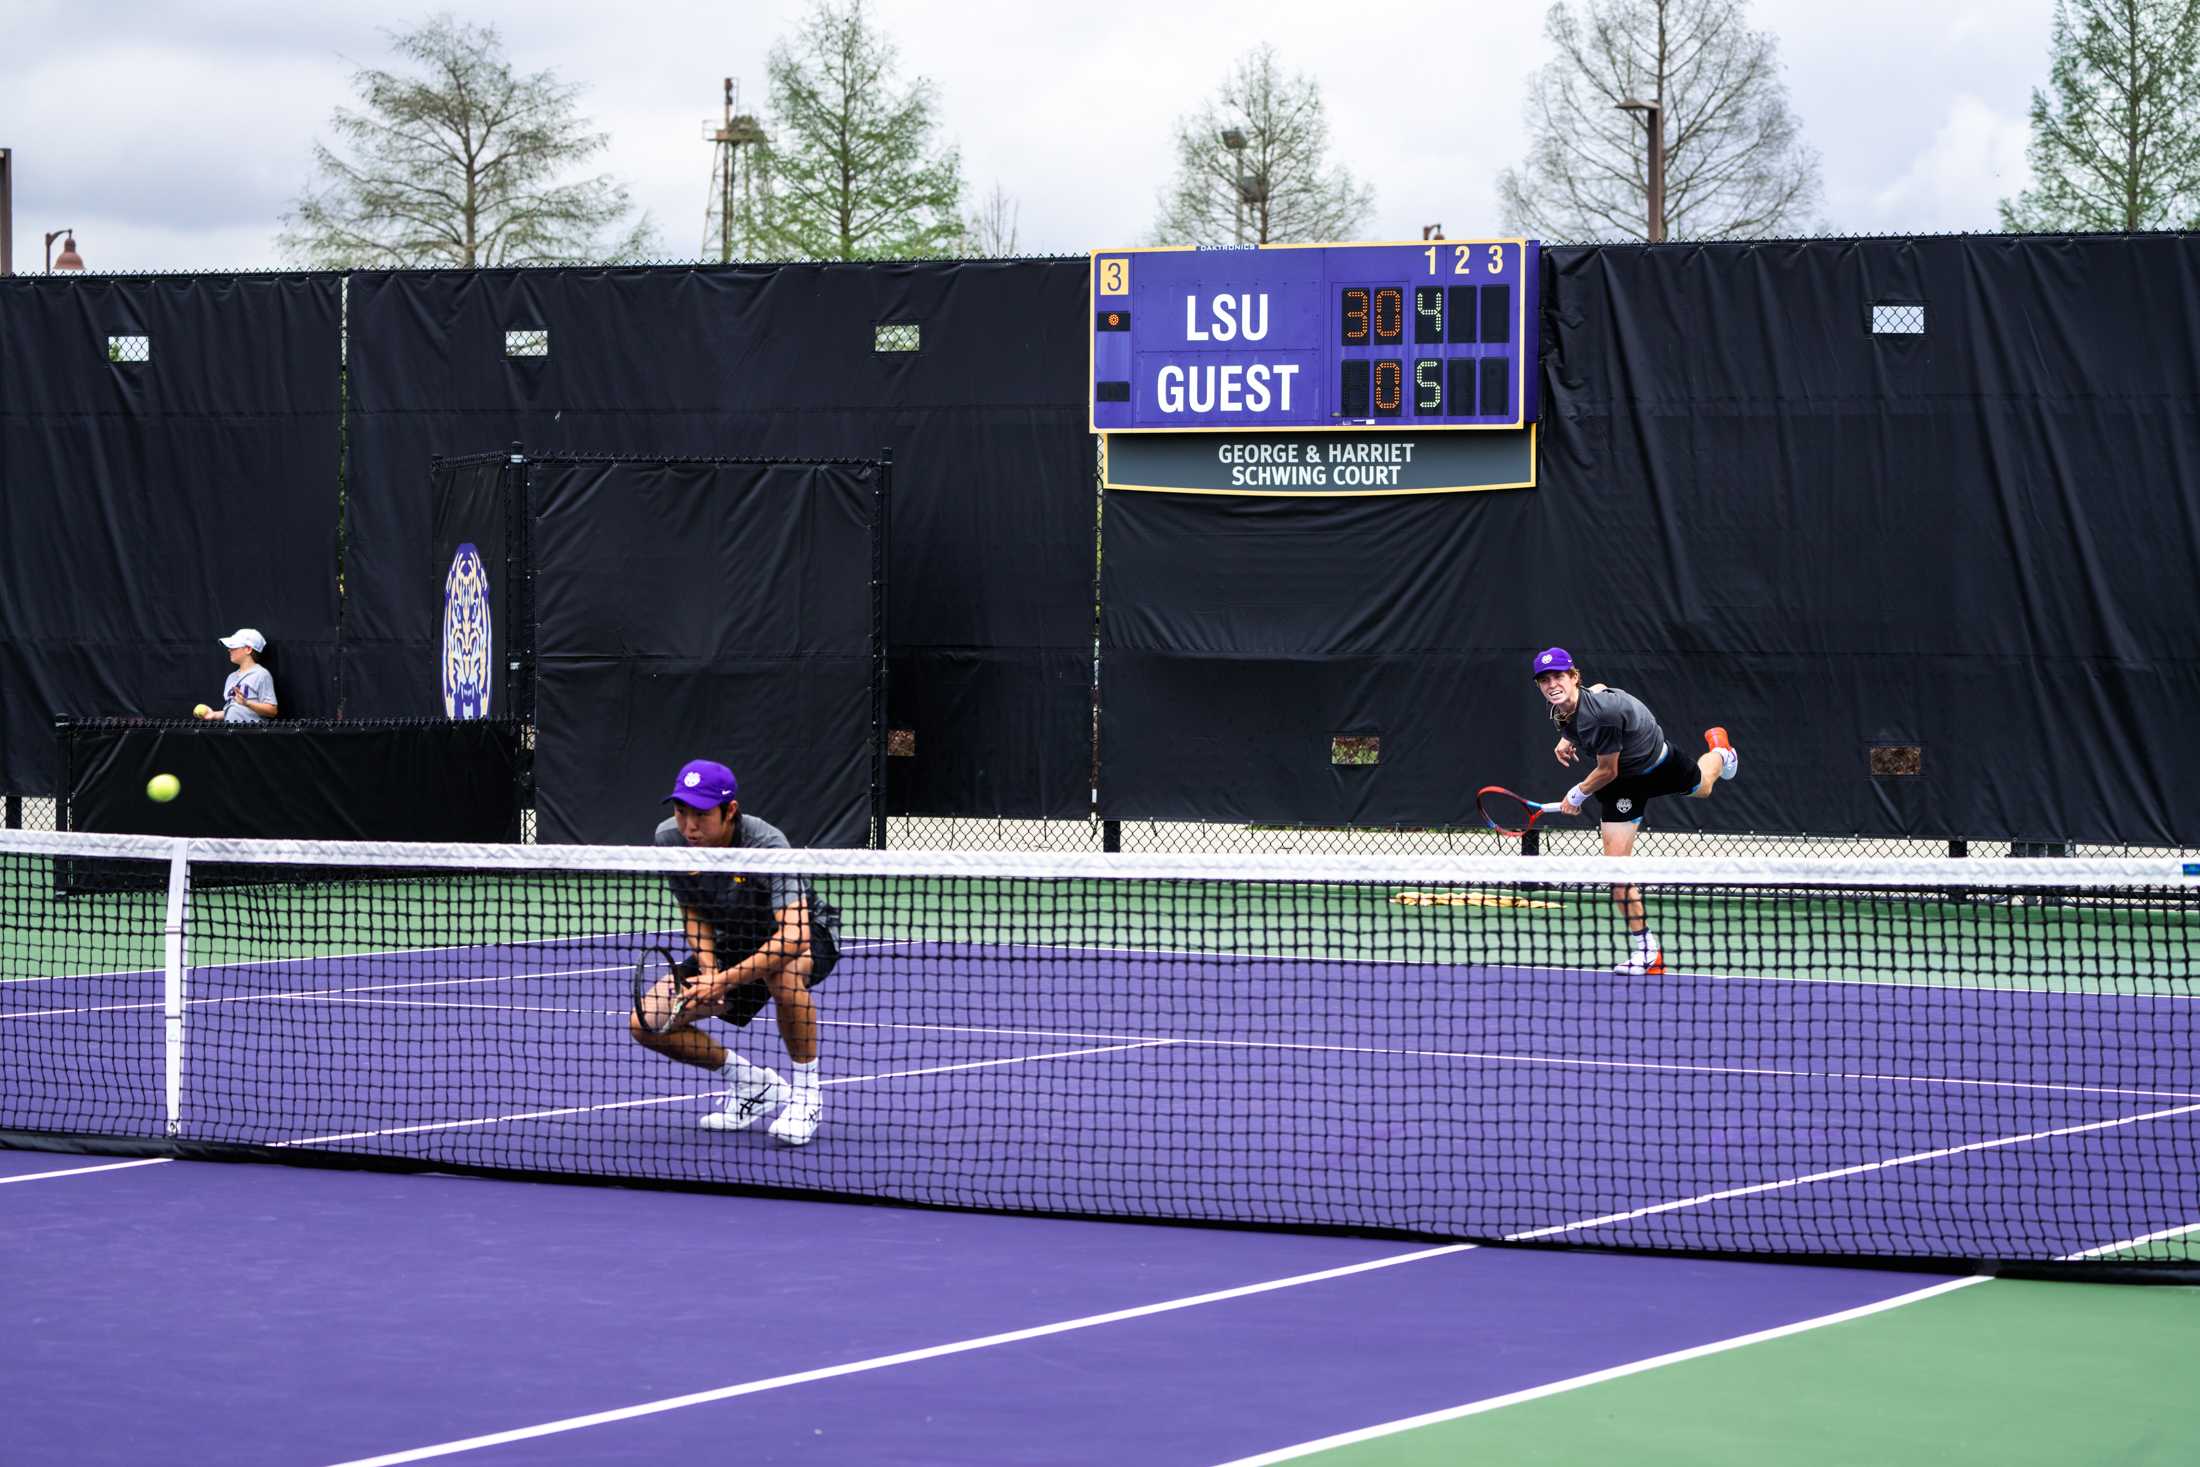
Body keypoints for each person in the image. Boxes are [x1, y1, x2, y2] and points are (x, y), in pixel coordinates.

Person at [628, 758, 840, 1145]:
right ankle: (751, 1085)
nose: (689, 826)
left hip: (804, 931)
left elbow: (794, 936)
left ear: (730, 811)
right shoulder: (669, 840)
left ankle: (807, 1095)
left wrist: (724, 980)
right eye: (681, 812)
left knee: (784, 972)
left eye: (702, 815)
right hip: (736, 939)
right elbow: (693, 910)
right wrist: (709, 970)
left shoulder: (767, 845)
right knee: (648, 1022)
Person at [1530, 647, 1739, 975]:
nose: (1551, 684)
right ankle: (1648, 952)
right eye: (1544, 680)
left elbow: (1606, 770)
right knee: (1616, 873)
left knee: (1704, 787)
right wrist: (1568, 738)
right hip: (1621, 786)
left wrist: (1577, 794)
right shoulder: (1560, 708)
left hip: (1657, 763)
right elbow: (1597, 689)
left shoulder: (1602, 715)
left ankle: (1722, 752)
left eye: (1558, 676)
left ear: (1573, 677)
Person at [196, 628, 278, 722]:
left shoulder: (261, 675)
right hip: (233, 734)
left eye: (234, 646)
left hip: (253, 734)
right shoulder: (231, 677)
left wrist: (247, 703)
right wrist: (214, 715)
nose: (229, 650)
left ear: (248, 649)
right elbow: (236, 710)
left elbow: (272, 710)